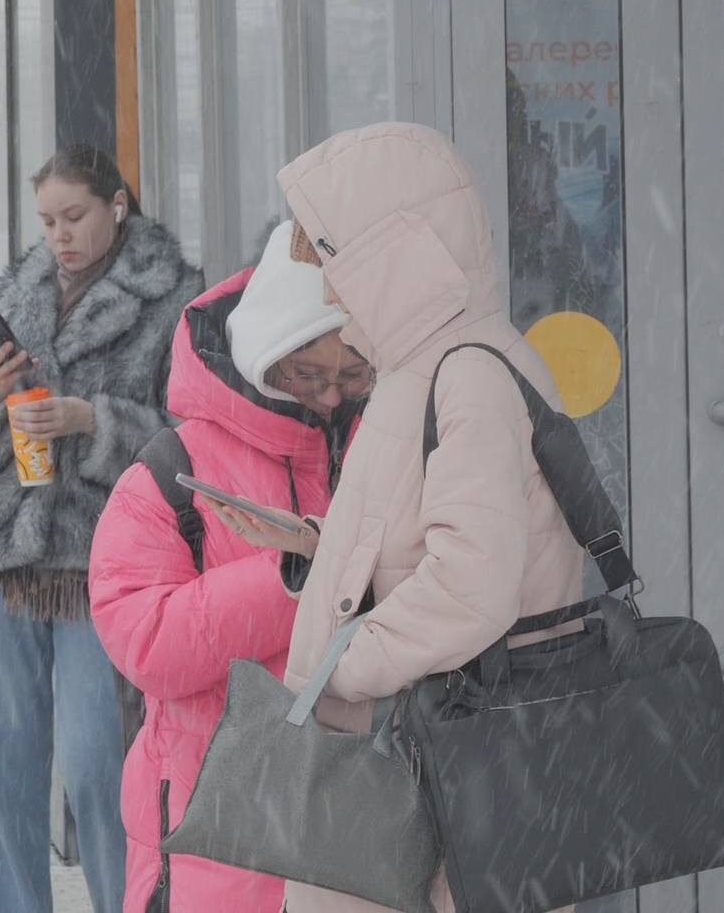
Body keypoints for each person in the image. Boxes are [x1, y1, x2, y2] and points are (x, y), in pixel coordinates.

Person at [209, 123, 587, 913]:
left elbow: (471, 586)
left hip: (424, 759)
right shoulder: (437, 365)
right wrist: (321, 549)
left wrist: (341, 666)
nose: (331, 290)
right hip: (418, 755)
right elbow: (438, 542)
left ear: (392, 254)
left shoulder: (463, 376)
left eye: (336, 258)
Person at [0, 143, 203, 913]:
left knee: (99, 763)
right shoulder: (17, 294)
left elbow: (193, 437)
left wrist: (95, 420)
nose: (60, 235)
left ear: (116, 205)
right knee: (3, 768)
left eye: (74, 216)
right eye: (47, 220)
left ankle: (129, 902)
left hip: (104, 559)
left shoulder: (174, 299)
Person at [87, 221, 370, 913]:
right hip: (214, 826)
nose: (333, 396)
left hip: (355, 816)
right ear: (266, 355)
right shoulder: (171, 471)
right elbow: (146, 642)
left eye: (353, 375)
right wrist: (291, 580)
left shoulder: (379, 450)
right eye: (309, 375)